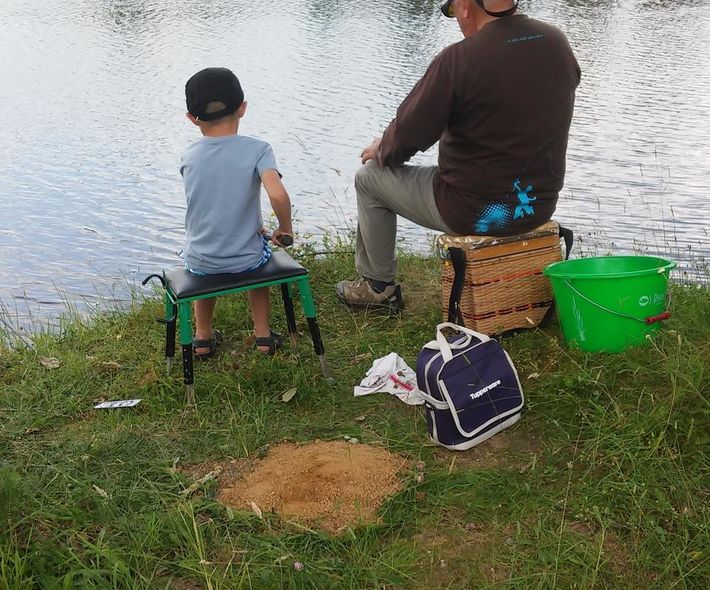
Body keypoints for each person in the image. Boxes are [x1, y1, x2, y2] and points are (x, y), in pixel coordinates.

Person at [335, 0, 581, 312]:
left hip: (472, 210)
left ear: (465, 6)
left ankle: (378, 287)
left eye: (452, 11)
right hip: (537, 206)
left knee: (370, 178)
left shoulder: (459, 59)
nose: (456, 19)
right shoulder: (555, 41)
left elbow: (409, 135)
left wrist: (383, 147)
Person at [180, 67, 293, 358]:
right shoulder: (259, 150)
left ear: (192, 119)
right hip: (246, 259)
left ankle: (203, 339)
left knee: (201, 265)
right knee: (261, 256)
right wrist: (285, 228)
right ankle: (263, 335)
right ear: (242, 108)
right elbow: (277, 193)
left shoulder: (189, 156)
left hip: (201, 257)